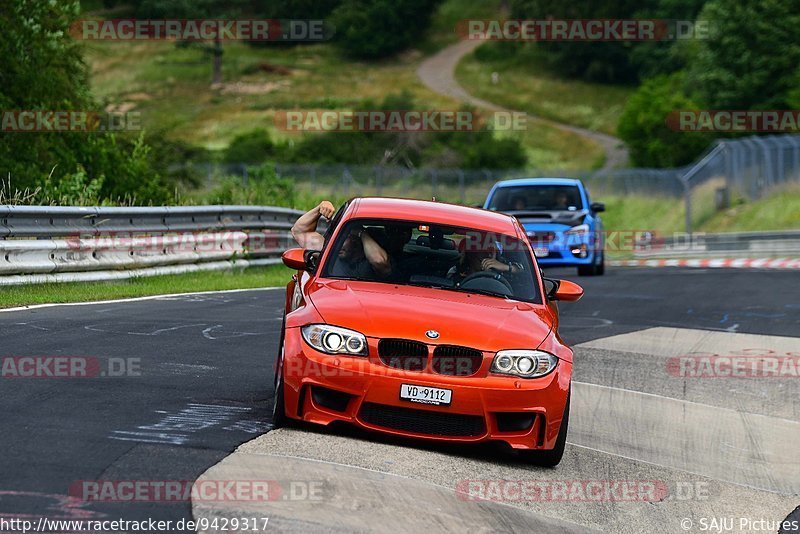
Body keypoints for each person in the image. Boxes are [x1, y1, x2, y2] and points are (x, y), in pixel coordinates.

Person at [290, 200, 391, 278]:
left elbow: (379, 261)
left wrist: (362, 233)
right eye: (340, 237)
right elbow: (299, 231)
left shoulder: (371, 262)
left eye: (346, 238)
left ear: (357, 241)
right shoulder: (330, 254)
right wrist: (320, 207)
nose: (339, 243)